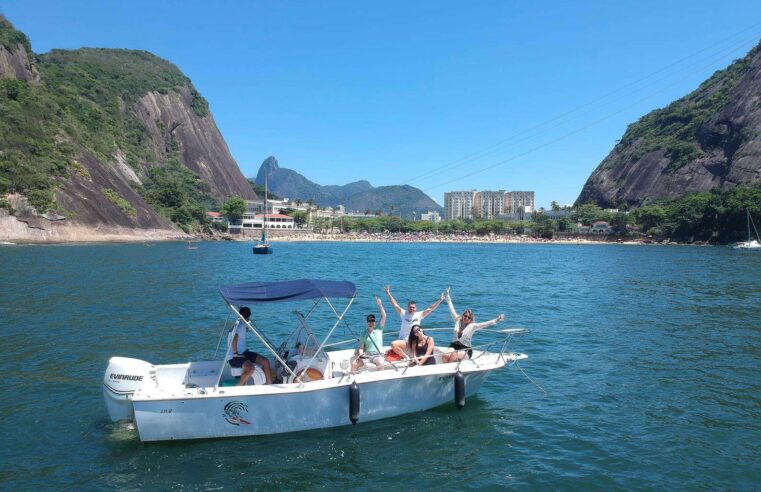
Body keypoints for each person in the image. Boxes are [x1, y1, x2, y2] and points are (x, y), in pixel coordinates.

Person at [442, 288, 505, 363]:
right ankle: (446, 370)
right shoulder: (457, 320)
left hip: (465, 349)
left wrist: (497, 320)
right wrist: (447, 295)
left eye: (469, 317)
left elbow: (485, 324)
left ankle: (450, 371)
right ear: (463, 315)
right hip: (454, 346)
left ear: (471, 319)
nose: (466, 318)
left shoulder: (472, 326)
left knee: (453, 356)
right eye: (465, 316)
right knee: (445, 355)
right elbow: (451, 309)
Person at [385, 285, 445, 360]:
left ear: (416, 308)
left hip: (413, 341)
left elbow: (431, 308)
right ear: (408, 308)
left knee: (393, 344)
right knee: (393, 344)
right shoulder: (403, 313)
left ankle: (407, 357)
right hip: (403, 340)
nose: (412, 309)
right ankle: (406, 356)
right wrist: (388, 293)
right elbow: (395, 304)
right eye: (410, 307)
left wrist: (440, 300)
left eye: (413, 307)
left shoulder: (419, 315)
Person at [227, 306, 273, 385]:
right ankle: (239, 387)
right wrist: (235, 353)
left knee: (265, 361)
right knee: (251, 369)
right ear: (248, 316)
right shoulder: (240, 326)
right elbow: (234, 338)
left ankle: (270, 384)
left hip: (244, 353)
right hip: (234, 357)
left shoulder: (240, 324)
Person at [351, 296, 387, 372]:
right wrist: (361, 356)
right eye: (369, 321)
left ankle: (380, 382)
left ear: (375, 322)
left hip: (377, 355)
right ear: (367, 322)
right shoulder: (363, 334)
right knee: (354, 364)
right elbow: (361, 348)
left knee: (381, 363)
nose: (371, 323)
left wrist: (380, 304)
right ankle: (352, 379)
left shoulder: (379, 329)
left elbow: (384, 316)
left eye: (372, 321)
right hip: (367, 355)